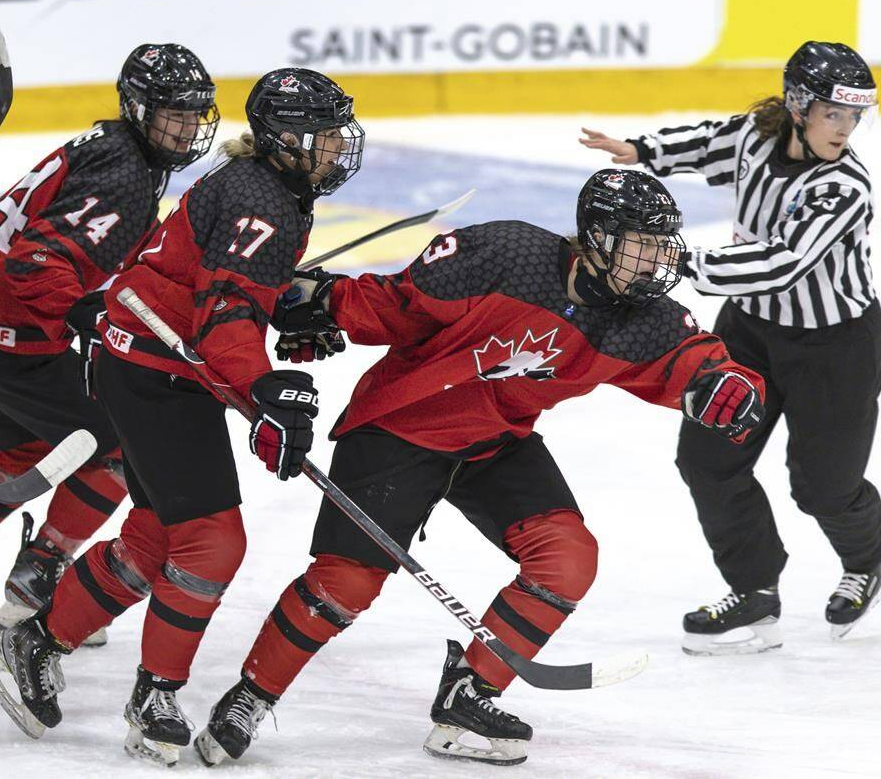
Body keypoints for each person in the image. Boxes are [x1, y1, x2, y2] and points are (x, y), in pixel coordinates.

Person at [192, 170, 765, 767]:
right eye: (641, 245)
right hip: (402, 424)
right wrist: (324, 304)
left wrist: (729, 385)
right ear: (595, 238)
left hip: (496, 440)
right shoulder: (506, 253)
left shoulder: (643, 319)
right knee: (346, 582)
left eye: (662, 248)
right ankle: (249, 697)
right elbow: (399, 307)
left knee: (568, 558)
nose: (655, 263)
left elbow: (697, 365)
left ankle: (469, 696)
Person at [0, 67, 365, 766]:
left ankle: (32, 642)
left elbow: (227, 291)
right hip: (153, 372)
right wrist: (260, 388)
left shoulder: (274, 189)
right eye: (326, 134)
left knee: (155, 537)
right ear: (288, 139)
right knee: (212, 544)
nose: (340, 146)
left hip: (152, 364)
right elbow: (224, 318)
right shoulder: (259, 198)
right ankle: (155, 692)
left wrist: (285, 320)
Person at [0, 43, 219, 637]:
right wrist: (85, 319)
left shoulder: (107, 148)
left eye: (195, 114)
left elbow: (71, 246)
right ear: (139, 109)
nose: (188, 127)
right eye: (175, 113)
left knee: (20, 454)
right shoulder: (126, 176)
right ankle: (42, 575)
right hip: (12, 343)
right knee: (115, 448)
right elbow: (37, 261)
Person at [580, 41, 881, 651]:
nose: (845, 130)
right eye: (834, 115)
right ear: (798, 105)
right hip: (747, 332)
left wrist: (677, 259)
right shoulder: (754, 136)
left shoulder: (845, 187)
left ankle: (870, 559)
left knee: (822, 488)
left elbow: (780, 263)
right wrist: (639, 151)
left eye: (855, 118)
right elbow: (705, 143)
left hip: (837, 347)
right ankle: (754, 591)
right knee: (707, 460)